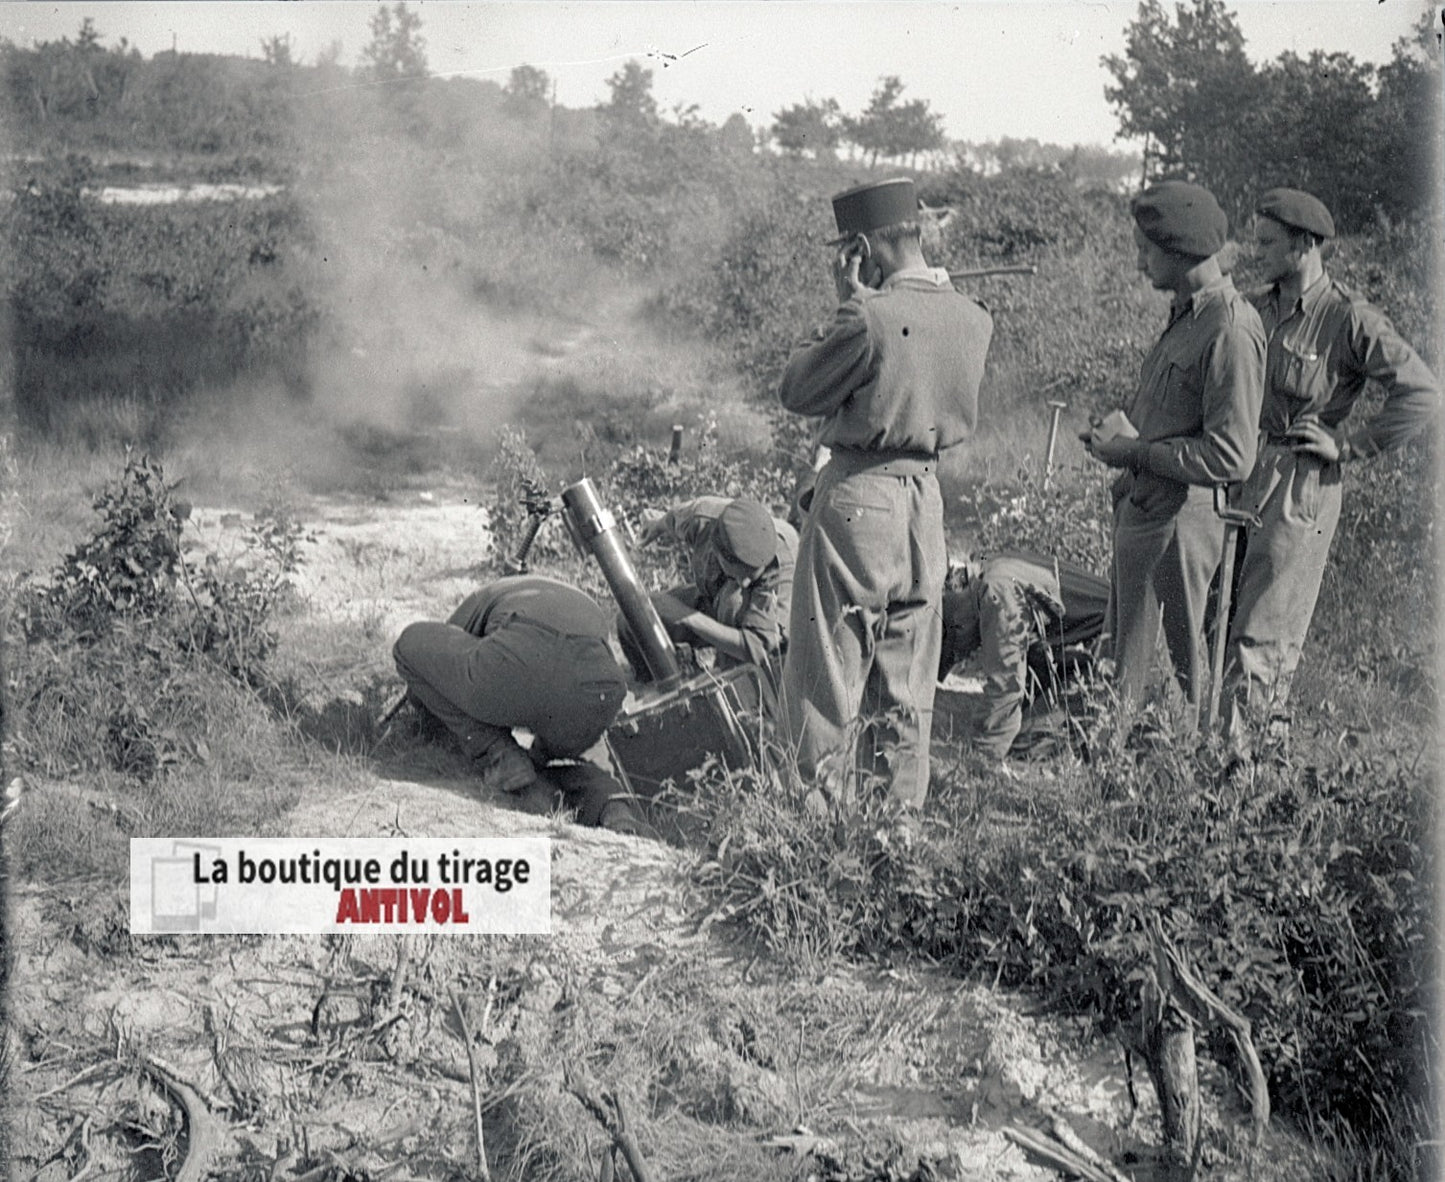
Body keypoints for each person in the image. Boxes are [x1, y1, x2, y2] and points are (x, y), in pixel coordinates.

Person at [777, 176, 994, 806]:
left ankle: (813, 833)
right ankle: (896, 832)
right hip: (926, 504)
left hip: (859, 498)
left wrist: (845, 304)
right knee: (908, 681)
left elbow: (798, 389)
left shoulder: (867, 318)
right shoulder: (973, 317)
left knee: (828, 672)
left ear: (863, 248)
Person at [1223, 188, 1438, 735]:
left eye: (1269, 242)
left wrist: (1349, 445)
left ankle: (1239, 777)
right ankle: (1218, 758)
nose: (1258, 251)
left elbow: (1420, 392)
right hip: (1240, 472)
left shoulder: (1348, 318)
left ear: (1305, 244)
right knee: (1220, 621)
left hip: (1300, 486)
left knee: (1263, 635)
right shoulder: (1251, 306)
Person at [1083, 180, 1265, 724]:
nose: (1139, 264)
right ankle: (1116, 782)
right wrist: (1120, 438)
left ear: (1180, 250)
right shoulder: (1187, 315)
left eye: (1145, 250)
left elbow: (1231, 458)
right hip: (1147, 514)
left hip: (1181, 526)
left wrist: (1134, 452)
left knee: (1178, 685)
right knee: (1126, 674)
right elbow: (1173, 419)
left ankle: (1176, 790)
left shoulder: (1230, 328)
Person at [392, 575, 640, 830]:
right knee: (565, 761)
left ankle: (501, 755)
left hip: (523, 661)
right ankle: (612, 808)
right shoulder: (556, 594)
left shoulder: (478, 601)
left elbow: (436, 676)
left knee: (408, 644)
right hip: (603, 685)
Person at [939, 551, 1109, 760]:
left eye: (952, 633)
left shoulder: (996, 592)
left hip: (1112, 661)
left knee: (1021, 743)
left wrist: (981, 756)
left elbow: (1007, 685)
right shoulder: (988, 566)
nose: (963, 651)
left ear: (954, 592)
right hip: (1089, 653)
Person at [620, 496, 797, 693]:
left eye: (752, 577)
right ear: (718, 553)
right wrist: (656, 525)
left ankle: (734, 694)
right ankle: (656, 692)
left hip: (758, 629)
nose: (745, 583)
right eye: (740, 575)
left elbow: (757, 648)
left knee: (733, 601)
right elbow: (672, 519)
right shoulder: (702, 518)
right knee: (634, 615)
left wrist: (686, 617)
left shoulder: (782, 565)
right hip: (711, 598)